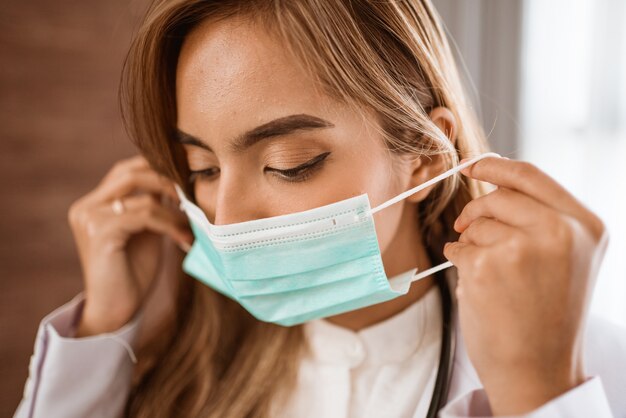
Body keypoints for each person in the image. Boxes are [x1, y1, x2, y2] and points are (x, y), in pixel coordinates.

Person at [13, 0, 626, 417]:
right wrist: (102, 327)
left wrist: (542, 392)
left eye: (288, 163)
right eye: (203, 169)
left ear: (424, 154)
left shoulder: (589, 369)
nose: (225, 220)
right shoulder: (173, 364)